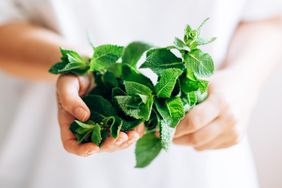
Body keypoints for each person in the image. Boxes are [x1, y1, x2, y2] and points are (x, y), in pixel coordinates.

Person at [0, 0, 281, 188]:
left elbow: (268, 17)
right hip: (49, 168)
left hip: (205, 166)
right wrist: (85, 65)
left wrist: (243, 82)